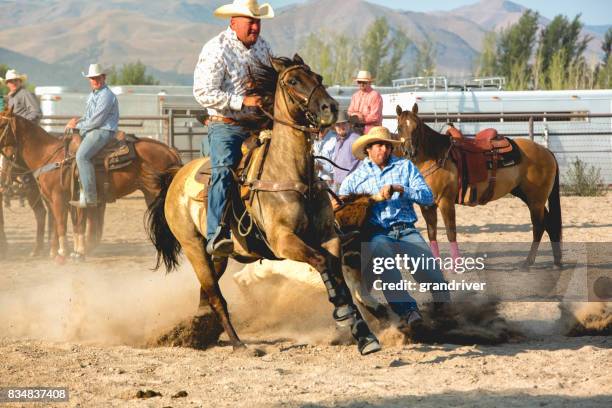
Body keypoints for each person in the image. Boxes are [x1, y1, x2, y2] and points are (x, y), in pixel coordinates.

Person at [338, 126, 450, 327]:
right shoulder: (355, 178)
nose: (384, 150)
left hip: (406, 229)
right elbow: (340, 203)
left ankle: (444, 312)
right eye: (379, 145)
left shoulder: (405, 167)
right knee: (386, 263)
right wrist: (339, 203)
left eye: (387, 146)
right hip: (377, 233)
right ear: (368, 150)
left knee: (431, 272)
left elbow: (428, 197)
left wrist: (401, 189)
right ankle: (409, 312)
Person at [193, 0, 274, 257]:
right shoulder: (216, 49)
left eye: (258, 20)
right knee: (225, 169)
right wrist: (241, 101)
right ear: (233, 22)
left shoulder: (264, 47)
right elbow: (203, 92)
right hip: (225, 125)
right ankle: (216, 232)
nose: (255, 26)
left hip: (258, 123)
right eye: (250, 21)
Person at [65, 63, 119, 208]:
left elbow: (97, 120)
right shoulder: (93, 95)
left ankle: (90, 197)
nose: (95, 80)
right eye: (92, 78)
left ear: (104, 77)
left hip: (103, 130)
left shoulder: (106, 95)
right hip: (94, 129)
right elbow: (88, 116)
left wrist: (76, 127)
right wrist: (76, 121)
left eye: (97, 77)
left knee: (82, 156)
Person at [328, 110, 360, 191]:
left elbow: (363, 164)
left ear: (349, 124)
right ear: (335, 127)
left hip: (351, 186)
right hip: (337, 184)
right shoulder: (338, 141)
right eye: (338, 125)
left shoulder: (355, 139)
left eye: (344, 123)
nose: (341, 127)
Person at [347, 70, 383, 135]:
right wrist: (354, 117)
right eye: (359, 82)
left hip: (371, 130)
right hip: (355, 128)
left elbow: (375, 117)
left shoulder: (375, 95)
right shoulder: (355, 95)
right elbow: (349, 112)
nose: (361, 84)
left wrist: (359, 119)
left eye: (364, 82)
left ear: (369, 82)